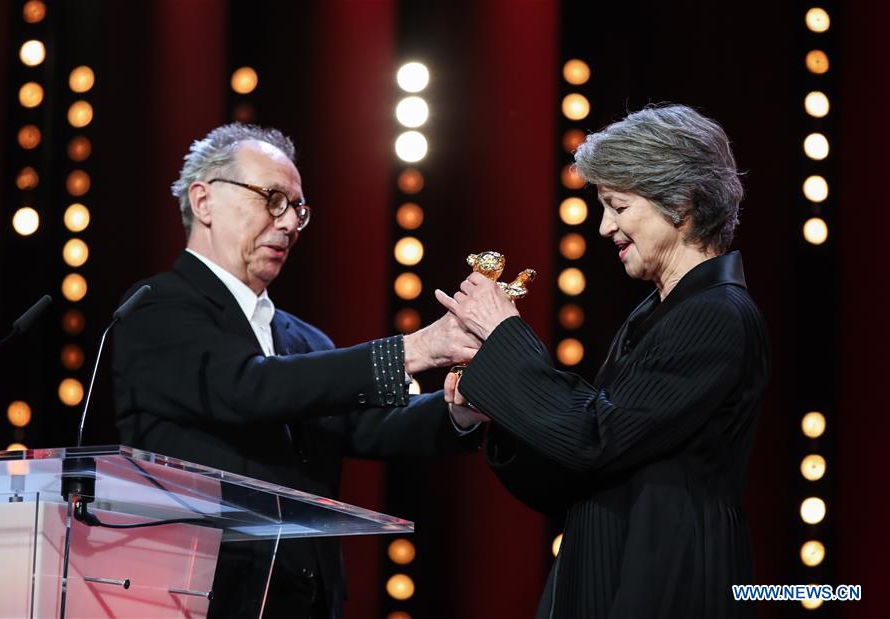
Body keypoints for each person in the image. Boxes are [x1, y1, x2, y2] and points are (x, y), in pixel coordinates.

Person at [112, 123, 486, 619]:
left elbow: (368, 426)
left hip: (301, 599)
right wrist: (413, 349)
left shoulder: (303, 338)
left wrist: (461, 409)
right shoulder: (155, 309)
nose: (289, 222)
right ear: (204, 202)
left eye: (297, 208)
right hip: (199, 597)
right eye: (272, 199)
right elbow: (247, 388)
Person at [437, 104, 770, 618]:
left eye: (618, 206)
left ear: (680, 201)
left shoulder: (715, 313)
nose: (603, 227)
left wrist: (504, 336)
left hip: (664, 587)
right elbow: (577, 467)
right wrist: (495, 412)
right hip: (612, 573)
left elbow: (597, 437)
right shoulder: (657, 313)